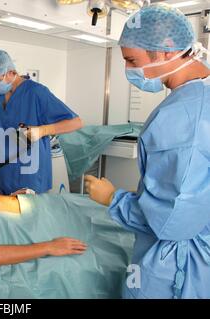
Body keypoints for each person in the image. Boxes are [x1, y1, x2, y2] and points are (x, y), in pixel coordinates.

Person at [85, 4, 210, 299]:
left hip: (175, 266)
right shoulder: (197, 97)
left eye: (131, 60)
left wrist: (112, 199)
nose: (129, 70)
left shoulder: (186, 117)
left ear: (167, 50)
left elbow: (172, 219)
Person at [0, 50, 83, 195]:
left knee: (29, 214)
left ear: (10, 72)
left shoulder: (36, 92)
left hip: (30, 173)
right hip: (2, 170)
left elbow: (76, 122)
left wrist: (42, 131)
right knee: (5, 216)